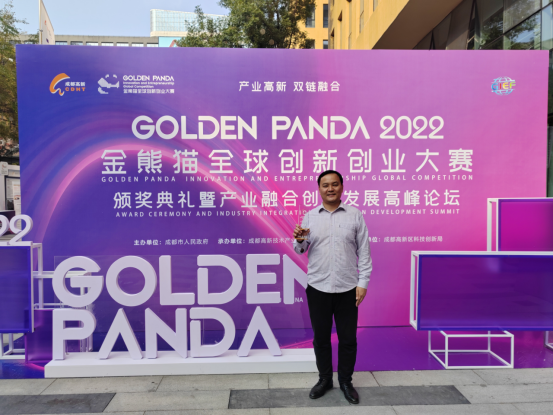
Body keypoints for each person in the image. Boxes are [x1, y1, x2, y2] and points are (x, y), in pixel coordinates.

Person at [293, 170, 372, 405]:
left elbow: (364, 252)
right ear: (319, 189)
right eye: (325, 185)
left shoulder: (355, 215)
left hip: (348, 288)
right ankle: (325, 379)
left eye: (334, 184)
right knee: (321, 338)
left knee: (348, 339)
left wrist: (363, 283)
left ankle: (346, 382)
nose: (330, 189)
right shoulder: (310, 216)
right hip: (318, 287)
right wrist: (299, 240)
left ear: (342, 187)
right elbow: (301, 249)